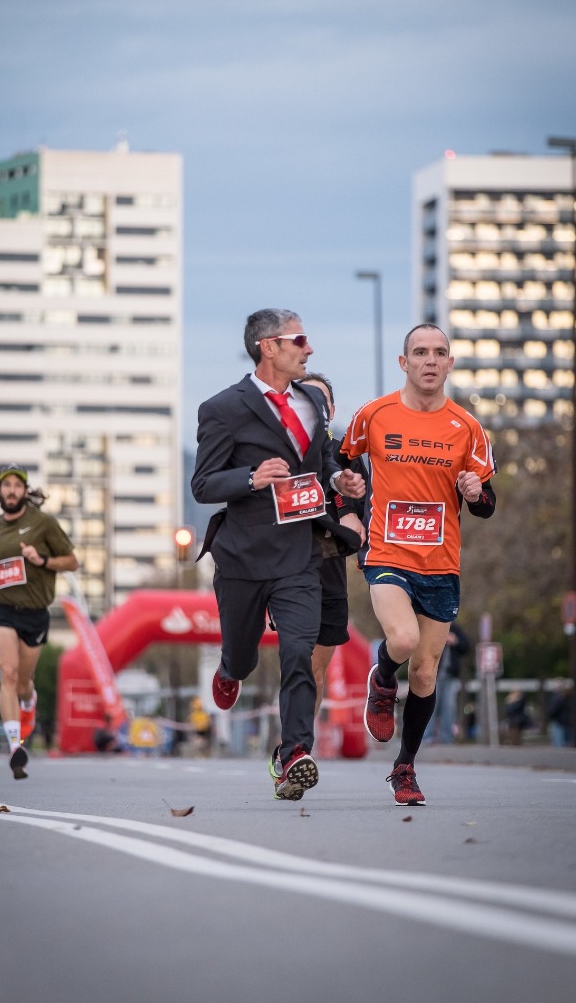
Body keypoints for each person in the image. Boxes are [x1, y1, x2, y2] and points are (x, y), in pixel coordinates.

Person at [192, 309, 365, 801]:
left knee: (298, 652)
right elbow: (202, 484)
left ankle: (293, 752)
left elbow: (322, 459)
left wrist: (339, 479)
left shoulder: (312, 400)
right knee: (244, 657)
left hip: (299, 553)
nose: (309, 350)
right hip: (245, 557)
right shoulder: (222, 408)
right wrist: (249, 478)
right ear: (268, 347)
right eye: (300, 340)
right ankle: (230, 669)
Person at [340, 323, 497, 806]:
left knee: (426, 673)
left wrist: (476, 494)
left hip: (441, 562)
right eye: (420, 352)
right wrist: (346, 491)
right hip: (387, 552)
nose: (431, 360)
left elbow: (488, 502)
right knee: (403, 640)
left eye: (440, 353)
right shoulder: (374, 415)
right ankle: (381, 678)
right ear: (403, 363)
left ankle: (405, 767)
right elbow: (339, 458)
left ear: (450, 364)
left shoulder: (467, 427)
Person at [0, 465, 79, 779]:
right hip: (1, 608)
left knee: (22, 683)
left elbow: (72, 561)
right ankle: (14, 747)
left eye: (16, 486)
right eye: (5, 485)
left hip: (34, 613)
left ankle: (28, 700)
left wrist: (41, 560)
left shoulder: (43, 523)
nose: (10, 490)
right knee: (7, 673)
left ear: (24, 491)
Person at [299, 372, 366, 716]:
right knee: (299, 666)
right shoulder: (282, 453)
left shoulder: (344, 454)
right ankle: (295, 746)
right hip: (291, 570)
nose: (312, 404)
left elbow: (359, 506)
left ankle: (297, 745)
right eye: (304, 397)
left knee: (315, 671)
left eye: (320, 399)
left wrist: (351, 515)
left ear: (332, 408)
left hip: (330, 571)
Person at [422, 622, 470, 745]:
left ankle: (447, 740)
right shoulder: (431, 627)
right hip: (433, 675)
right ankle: (427, 738)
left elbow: (466, 647)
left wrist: (456, 641)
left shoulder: (455, 629)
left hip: (450, 676)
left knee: (449, 708)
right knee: (430, 706)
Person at [546, 679, 573, 747]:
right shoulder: (567, 696)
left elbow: (553, 709)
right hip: (566, 721)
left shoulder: (557, 697)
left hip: (558, 721)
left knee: (558, 743)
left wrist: (550, 715)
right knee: (566, 741)